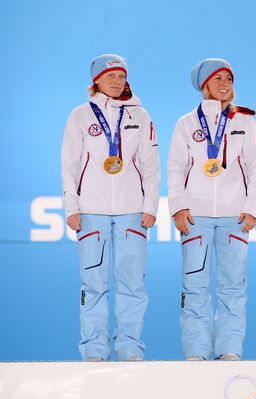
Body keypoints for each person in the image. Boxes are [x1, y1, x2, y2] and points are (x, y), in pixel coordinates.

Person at [61, 54, 160, 361]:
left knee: (133, 283)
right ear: (96, 81)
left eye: (121, 76)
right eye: (111, 76)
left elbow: (151, 165)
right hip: (92, 210)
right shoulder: (79, 115)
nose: (117, 81)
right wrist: (71, 207)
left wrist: (151, 205)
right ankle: (94, 350)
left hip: (132, 210)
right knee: (93, 283)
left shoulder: (140, 116)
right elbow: (70, 164)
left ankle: (130, 347)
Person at [168, 58, 256, 361]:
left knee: (233, 287)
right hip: (195, 217)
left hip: (234, 216)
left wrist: (253, 208)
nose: (225, 84)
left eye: (229, 79)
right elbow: (175, 168)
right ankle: (196, 350)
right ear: (204, 85)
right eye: (218, 79)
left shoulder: (246, 122)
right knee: (194, 285)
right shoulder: (186, 124)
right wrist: (178, 207)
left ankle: (230, 350)